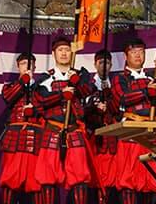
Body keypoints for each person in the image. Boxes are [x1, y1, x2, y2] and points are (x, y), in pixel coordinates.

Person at [31, 37, 95, 204]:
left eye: (67, 50)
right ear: (54, 54)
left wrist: (77, 81)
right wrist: (61, 94)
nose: (64, 53)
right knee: (48, 177)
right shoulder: (46, 78)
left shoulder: (79, 75)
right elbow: (40, 100)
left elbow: (88, 91)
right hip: (53, 130)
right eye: (60, 50)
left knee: (80, 177)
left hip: (74, 130)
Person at [109, 38, 156, 204]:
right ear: (126, 55)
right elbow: (121, 99)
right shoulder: (119, 78)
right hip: (132, 132)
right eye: (133, 52)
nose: (138, 55)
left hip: (154, 131)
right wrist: (146, 91)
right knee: (129, 178)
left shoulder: (153, 75)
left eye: (141, 51)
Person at [0, 53, 41, 204]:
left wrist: (35, 109)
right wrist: (23, 82)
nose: (27, 67)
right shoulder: (10, 86)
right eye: (23, 63)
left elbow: (46, 107)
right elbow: (8, 98)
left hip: (35, 139)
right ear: (18, 67)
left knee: (36, 182)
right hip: (15, 139)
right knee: (10, 179)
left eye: (30, 64)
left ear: (35, 67)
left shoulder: (41, 88)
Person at [85, 49, 118, 204]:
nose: (104, 66)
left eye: (107, 63)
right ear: (95, 64)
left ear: (111, 65)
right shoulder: (88, 85)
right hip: (95, 138)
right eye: (101, 62)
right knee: (95, 177)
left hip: (112, 138)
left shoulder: (116, 85)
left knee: (111, 178)